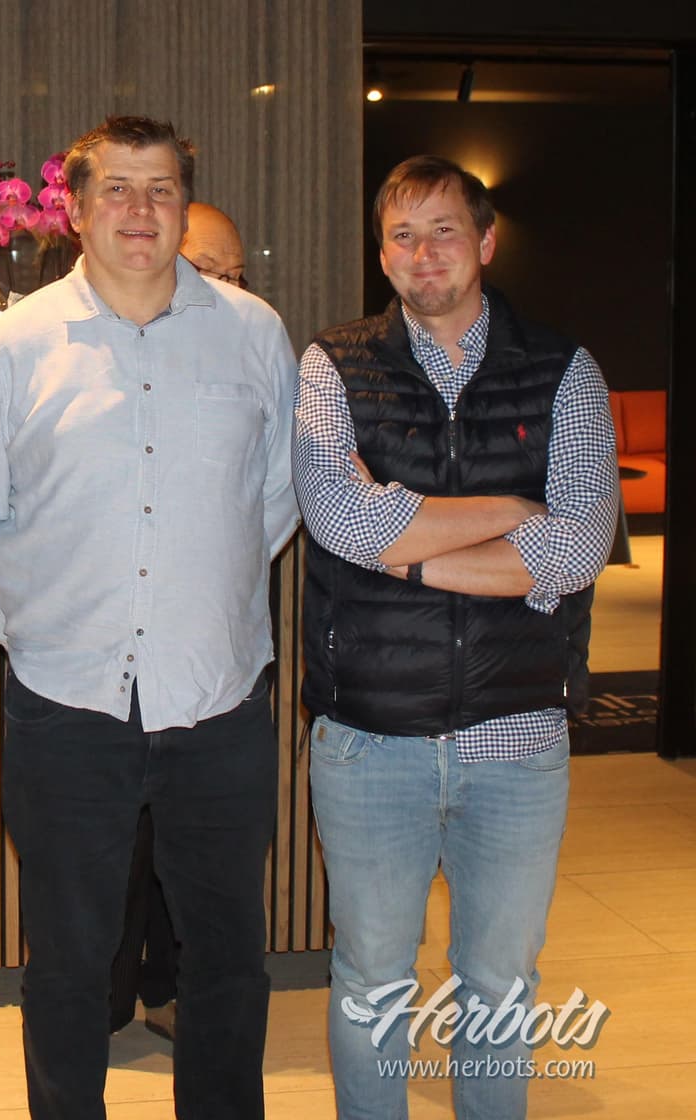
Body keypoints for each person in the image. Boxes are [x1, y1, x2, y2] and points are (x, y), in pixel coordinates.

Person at [0, 115, 299, 1120]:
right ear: (76, 209)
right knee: (67, 963)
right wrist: (43, 633)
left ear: (185, 204)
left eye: (161, 189)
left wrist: (200, 603)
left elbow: (274, 499)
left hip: (218, 699)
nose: (140, 210)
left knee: (226, 959)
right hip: (66, 705)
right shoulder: (8, 348)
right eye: (117, 190)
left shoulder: (254, 334)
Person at [294, 154, 617, 1120]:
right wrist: (512, 513)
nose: (423, 252)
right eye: (402, 234)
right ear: (381, 254)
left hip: (517, 736)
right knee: (370, 978)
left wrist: (404, 548)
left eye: (444, 230)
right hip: (370, 738)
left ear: (485, 242)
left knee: (501, 983)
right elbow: (339, 522)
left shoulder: (563, 369)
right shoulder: (333, 364)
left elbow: (576, 547)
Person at [107, 198, 252, 1045]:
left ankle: (169, 991)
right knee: (109, 860)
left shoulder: (253, 342)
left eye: (236, 271)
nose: (224, 284)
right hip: (98, 664)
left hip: (207, 652)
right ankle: (105, 1002)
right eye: (211, 268)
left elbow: (271, 499)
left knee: (192, 858)